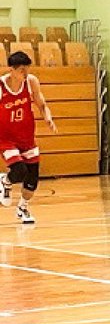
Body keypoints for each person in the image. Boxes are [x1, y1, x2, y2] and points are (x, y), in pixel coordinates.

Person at [0, 51, 58, 224]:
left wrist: (48, 117)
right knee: (19, 171)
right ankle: (5, 181)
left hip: (26, 136)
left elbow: (42, 104)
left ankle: (23, 208)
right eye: (21, 71)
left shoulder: (31, 82)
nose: (25, 73)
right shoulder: (1, 86)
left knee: (32, 176)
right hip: (6, 138)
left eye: (27, 69)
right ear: (12, 69)